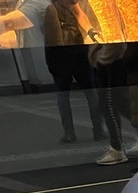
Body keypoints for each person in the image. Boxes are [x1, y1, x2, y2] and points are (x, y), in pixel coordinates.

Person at [43, 0, 103, 144]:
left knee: (63, 95)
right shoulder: (62, 4)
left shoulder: (46, 5)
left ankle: (69, 133)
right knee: (90, 92)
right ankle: (99, 131)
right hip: (77, 49)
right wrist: (89, 30)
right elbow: (78, 13)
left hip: (60, 53)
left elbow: (52, 35)